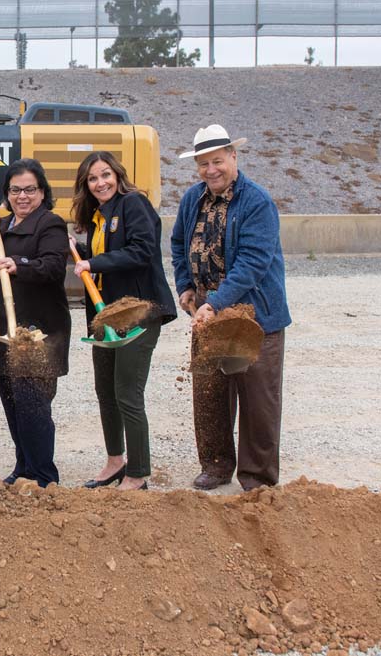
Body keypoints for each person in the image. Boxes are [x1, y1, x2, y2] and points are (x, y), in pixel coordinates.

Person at [171, 124, 291, 492]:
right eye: (204, 163)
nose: (211, 170)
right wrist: (186, 287)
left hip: (254, 317)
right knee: (209, 395)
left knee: (258, 400)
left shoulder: (257, 202)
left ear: (233, 158)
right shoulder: (193, 199)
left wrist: (217, 303)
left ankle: (257, 478)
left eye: (218, 161)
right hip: (207, 315)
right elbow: (177, 244)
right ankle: (216, 465)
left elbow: (253, 262)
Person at [71, 151, 176, 491]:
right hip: (107, 317)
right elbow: (106, 259)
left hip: (138, 313)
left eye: (105, 174)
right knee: (105, 390)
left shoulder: (133, 204)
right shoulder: (100, 216)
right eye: (92, 178)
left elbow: (143, 250)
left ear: (117, 174)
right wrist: (82, 254)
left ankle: (139, 472)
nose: (100, 182)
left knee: (127, 392)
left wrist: (94, 262)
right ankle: (115, 461)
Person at [0, 159, 70, 487]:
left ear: (42, 192)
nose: (22, 196)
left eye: (30, 189)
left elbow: (54, 267)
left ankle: (44, 477)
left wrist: (20, 264)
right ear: (7, 194)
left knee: (33, 406)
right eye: (15, 190)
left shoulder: (50, 224)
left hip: (36, 331)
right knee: (13, 403)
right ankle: (24, 466)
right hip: (4, 330)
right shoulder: (2, 225)